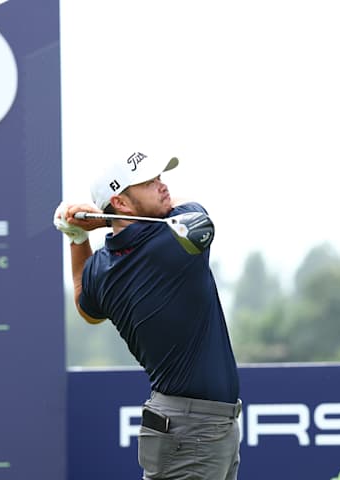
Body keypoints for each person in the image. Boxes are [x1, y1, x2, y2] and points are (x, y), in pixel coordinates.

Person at [54, 151, 241, 480]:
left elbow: (86, 305)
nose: (163, 185)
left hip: (195, 427)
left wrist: (78, 237)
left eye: (159, 178)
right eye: (149, 182)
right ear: (121, 202)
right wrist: (99, 223)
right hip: (190, 431)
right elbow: (195, 209)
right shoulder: (174, 242)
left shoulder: (103, 268)